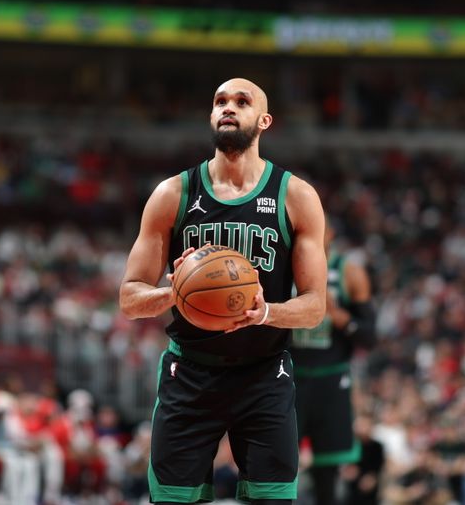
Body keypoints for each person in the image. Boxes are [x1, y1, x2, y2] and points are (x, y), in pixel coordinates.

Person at [119, 77, 327, 504]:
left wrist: (265, 312)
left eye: (241, 101)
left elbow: (314, 307)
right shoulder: (173, 194)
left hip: (265, 373)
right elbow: (129, 298)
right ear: (211, 116)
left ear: (264, 120)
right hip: (190, 373)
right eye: (219, 101)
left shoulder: (297, 197)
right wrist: (171, 294)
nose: (228, 107)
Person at [291, 216, 376, 505]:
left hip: (331, 379)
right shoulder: (282, 267)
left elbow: (369, 337)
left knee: (327, 470)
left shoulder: (349, 273)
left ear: (331, 234)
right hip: (290, 378)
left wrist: (338, 316)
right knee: (278, 463)